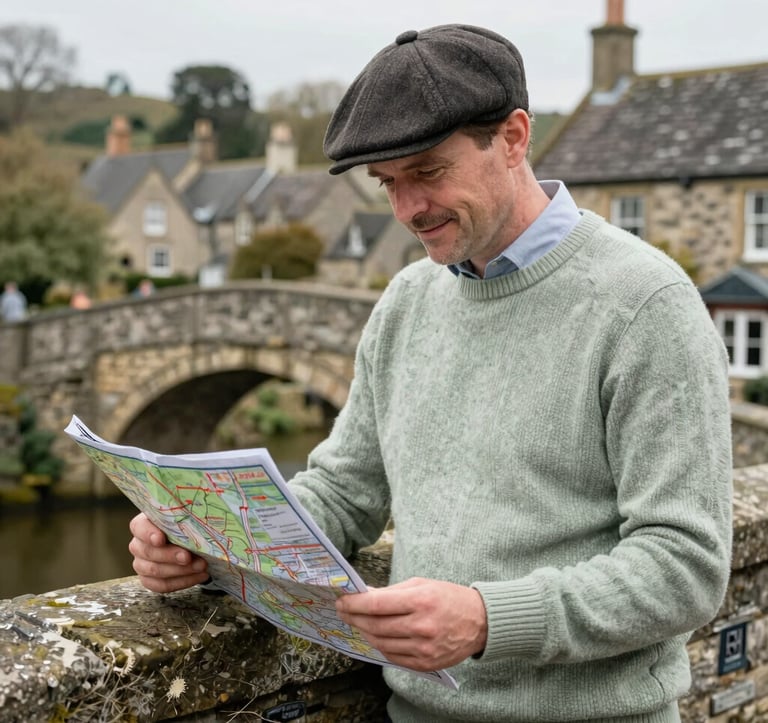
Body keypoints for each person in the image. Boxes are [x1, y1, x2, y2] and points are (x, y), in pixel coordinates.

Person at [128, 24, 733, 722]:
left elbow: (684, 567)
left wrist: (485, 618)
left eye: (428, 171)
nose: (408, 209)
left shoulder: (645, 304)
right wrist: (209, 550)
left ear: (513, 137)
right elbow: (343, 496)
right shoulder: (406, 303)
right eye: (387, 182)